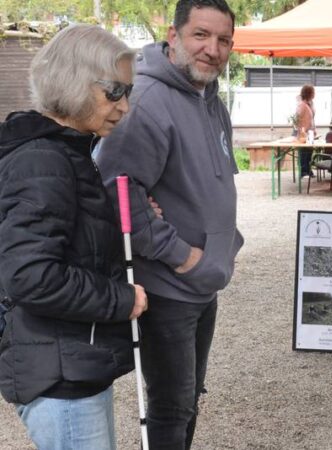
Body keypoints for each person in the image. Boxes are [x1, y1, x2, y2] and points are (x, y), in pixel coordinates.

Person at [95, 0, 243, 447]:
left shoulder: (209, 95)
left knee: (188, 398)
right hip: (167, 286)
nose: (212, 49)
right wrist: (183, 256)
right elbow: (117, 193)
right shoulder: (146, 100)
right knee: (171, 405)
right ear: (173, 35)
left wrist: (220, 250)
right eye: (201, 35)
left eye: (223, 40)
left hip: (204, 281)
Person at [0, 24, 147, 449]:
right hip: (59, 373)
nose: (125, 106)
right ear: (75, 82)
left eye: (128, 92)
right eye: (114, 91)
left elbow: (67, 241)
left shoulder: (66, 151)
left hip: (69, 361)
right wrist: (122, 299)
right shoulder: (44, 159)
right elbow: (31, 275)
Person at [296, 84, 315, 177]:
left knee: (309, 152)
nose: (314, 94)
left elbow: (312, 118)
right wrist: (302, 131)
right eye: (312, 92)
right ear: (309, 93)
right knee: (304, 152)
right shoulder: (302, 105)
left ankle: (308, 170)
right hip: (304, 133)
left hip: (310, 133)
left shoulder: (309, 104)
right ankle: (303, 171)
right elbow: (297, 119)